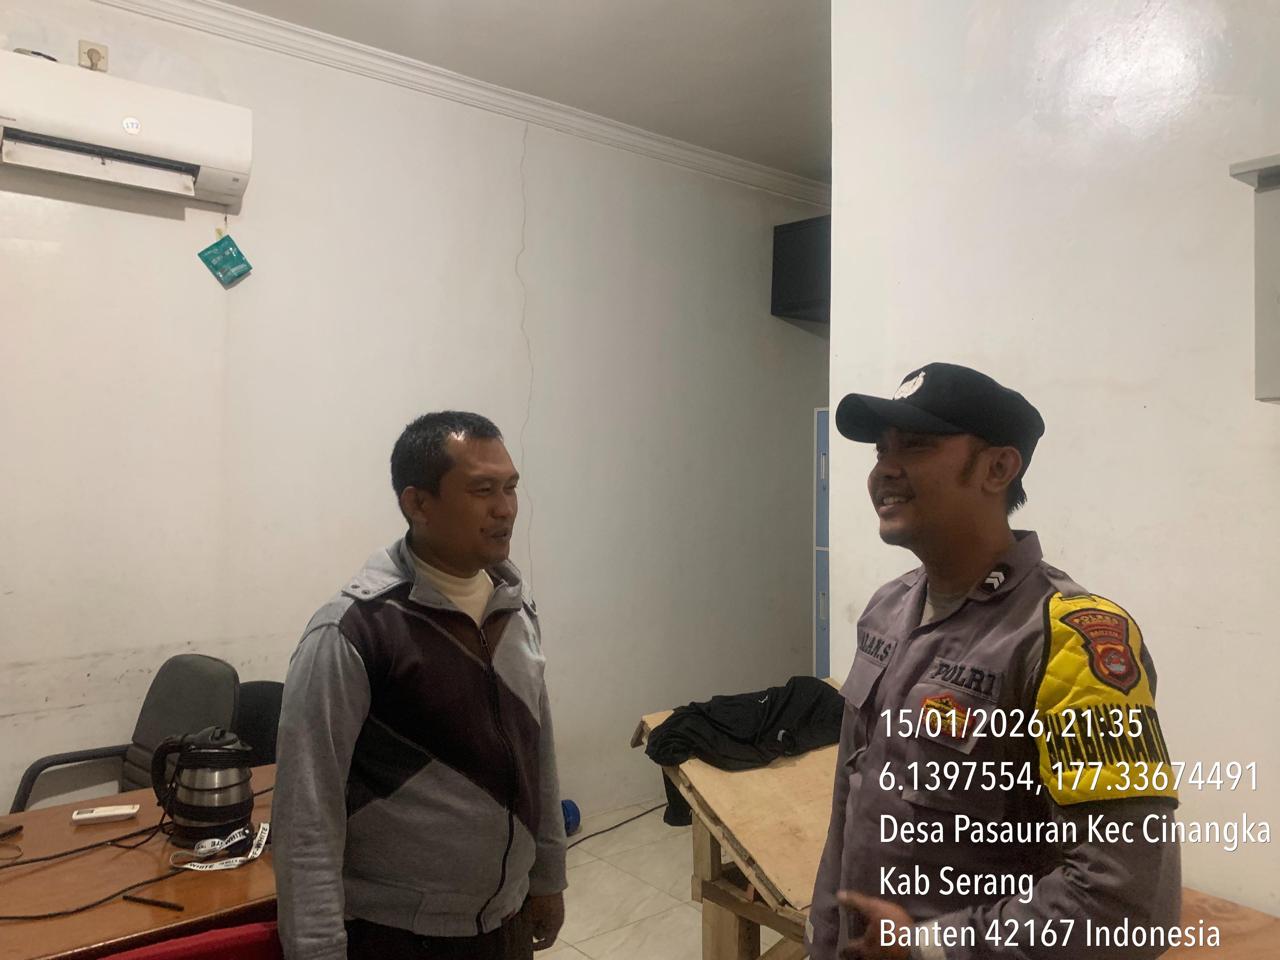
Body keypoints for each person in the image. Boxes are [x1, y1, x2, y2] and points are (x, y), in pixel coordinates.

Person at [808, 363, 1181, 960]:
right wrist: (823, 938)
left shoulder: (1070, 641)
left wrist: (929, 948)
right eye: (881, 450)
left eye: (916, 445)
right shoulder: (885, 610)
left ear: (999, 468)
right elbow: (849, 803)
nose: (884, 470)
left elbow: (1127, 903)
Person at [273, 411, 567, 960]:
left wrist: (547, 874)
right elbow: (306, 815)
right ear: (418, 504)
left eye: (510, 488)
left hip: (505, 923)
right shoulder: (354, 631)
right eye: (482, 490)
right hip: (400, 938)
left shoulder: (514, 609)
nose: (505, 509)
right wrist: (315, 949)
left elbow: (538, 752)